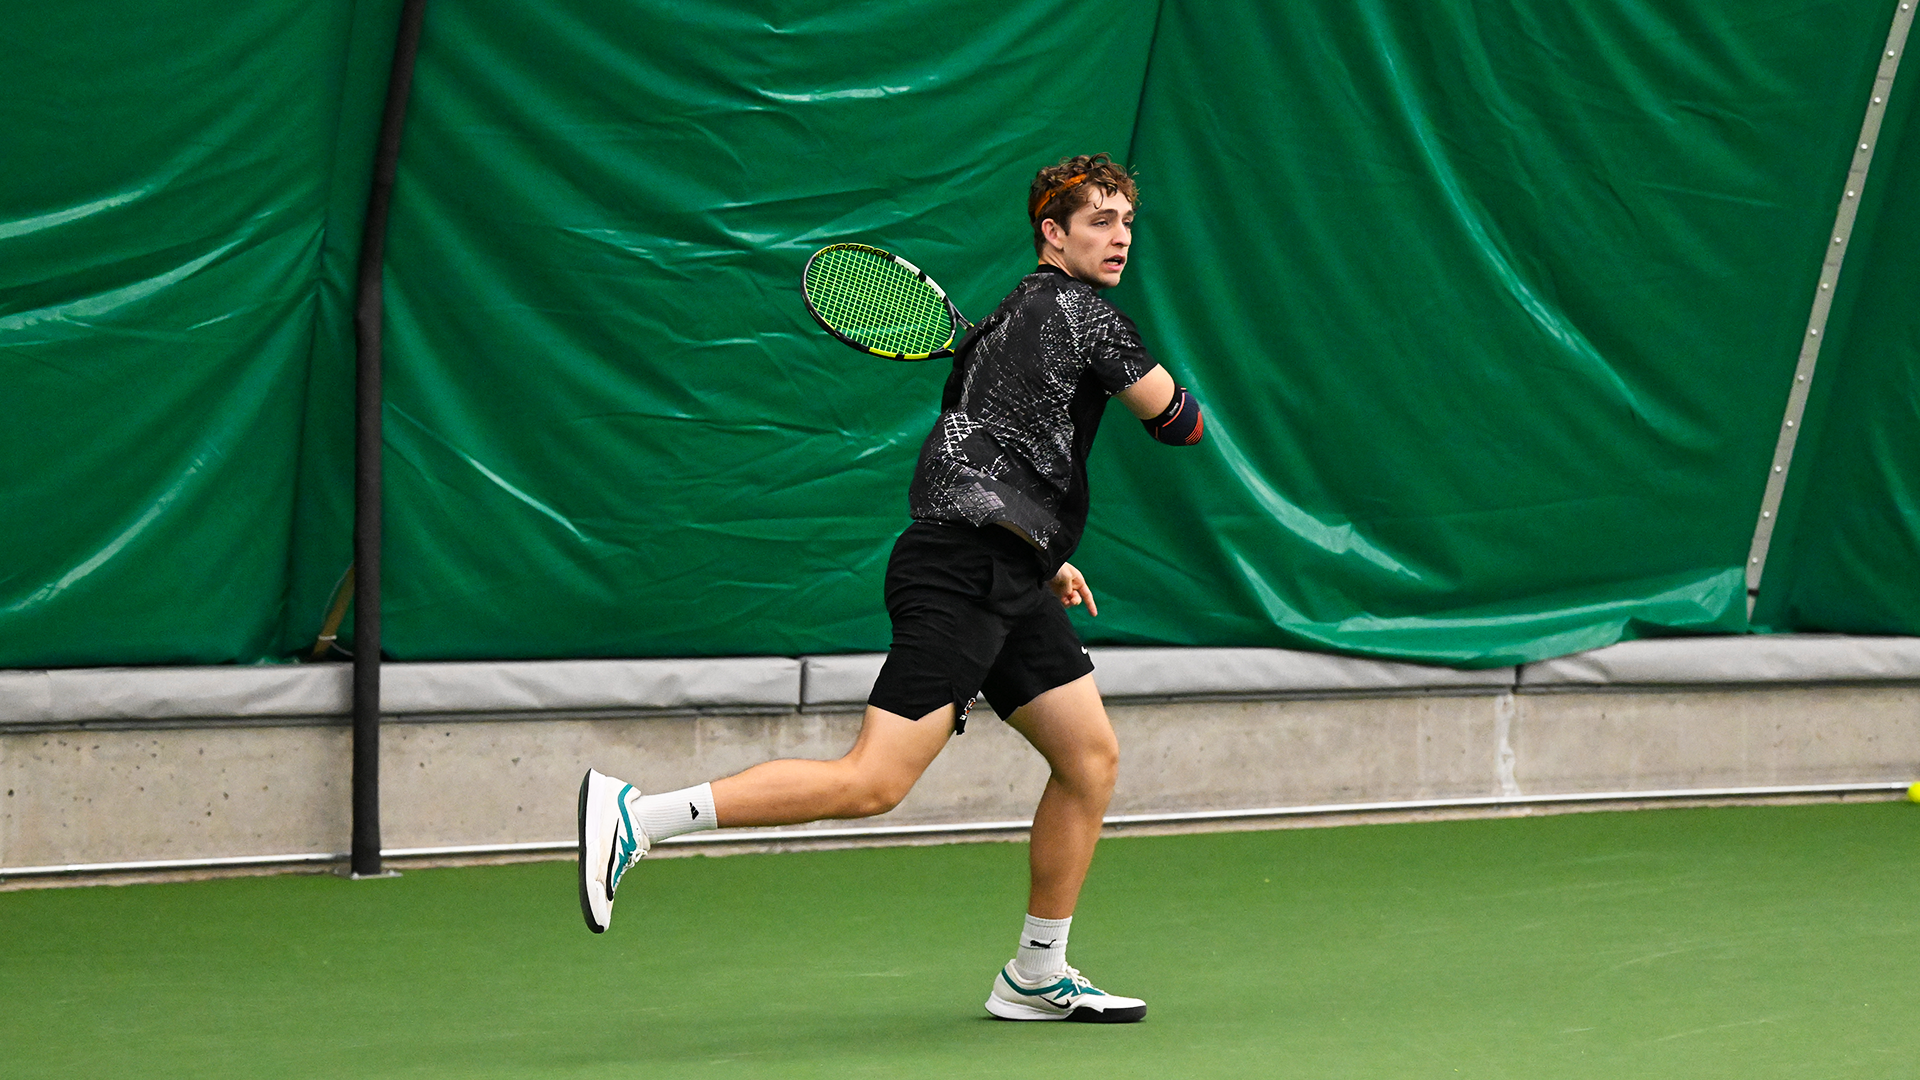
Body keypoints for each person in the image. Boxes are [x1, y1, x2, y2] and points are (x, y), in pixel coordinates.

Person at [578, 152, 1204, 1024]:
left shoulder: (997, 328)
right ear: (1052, 234)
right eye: (1099, 221)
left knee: (1088, 759)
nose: (1120, 237)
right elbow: (1178, 423)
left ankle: (1035, 973)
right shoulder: (1084, 316)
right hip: (964, 573)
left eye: (1127, 222)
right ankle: (641, 817)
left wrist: (1042, 553)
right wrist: (1174, 406)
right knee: (872, 781)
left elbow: (983, 452)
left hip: (1004, 570)